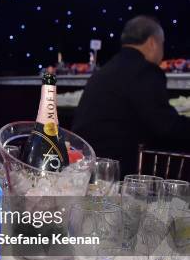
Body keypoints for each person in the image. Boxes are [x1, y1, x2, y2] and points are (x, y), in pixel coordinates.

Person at [73, 16, 190, 176]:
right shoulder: (144, 71)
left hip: (81, 166)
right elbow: (166, 126)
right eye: (162, 44)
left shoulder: (106, 69)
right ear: (152, 43)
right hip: (112, 173)